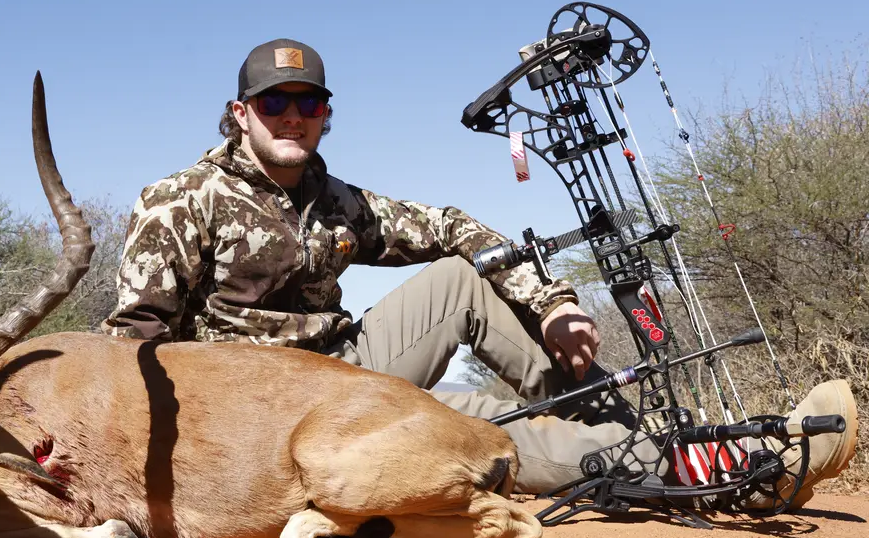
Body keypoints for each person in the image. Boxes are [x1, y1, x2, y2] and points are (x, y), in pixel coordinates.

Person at [102, 38, 857, 506]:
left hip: (344, 371)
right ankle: (711, 466)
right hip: (257, 411)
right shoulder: (179, 201)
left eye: (309, 101)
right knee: (478, 430)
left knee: (463, 279)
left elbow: (459, 229)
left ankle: (675, 447)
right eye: (276, 101)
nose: (293, 114)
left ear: (326, 113)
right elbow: (129, 346)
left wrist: (556, 302)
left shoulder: (337, 201)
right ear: (241, 112)